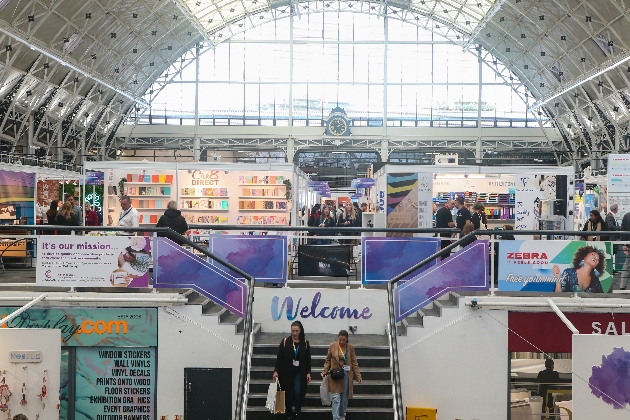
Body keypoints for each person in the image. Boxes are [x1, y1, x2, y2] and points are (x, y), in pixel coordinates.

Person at [273, 321, 312, 419]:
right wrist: (276, 370)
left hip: (299, 371)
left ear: (300, 331)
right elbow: (279, 357)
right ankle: (289, 412)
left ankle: (298, 412)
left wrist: (308, 372)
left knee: (298, 391)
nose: (294, 333)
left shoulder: (305, 343)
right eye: (293, 331)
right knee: (288, 392)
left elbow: (308, 359)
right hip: (286, 371)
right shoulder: (285, 341)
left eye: (296, 331)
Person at [321, 330, 362, 420]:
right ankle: (335, 417)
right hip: (335, 374)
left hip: (346, 375)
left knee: (344, 398)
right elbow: (328, 360)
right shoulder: (332, 346)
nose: (342, 342)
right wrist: (324, 370)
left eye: (344, 340)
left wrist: (358, 376)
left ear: (347, 339)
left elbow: (354, 362)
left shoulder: (350, 348)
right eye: (340, 340)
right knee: (336, 398)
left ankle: (342, 415)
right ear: (338, 338)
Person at [620, 210, 630, 290]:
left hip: (628, 244)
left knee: (626, 265)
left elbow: (622, 230)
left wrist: (623, 244)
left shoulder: (626, 216)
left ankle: (622, 285)